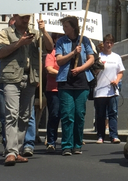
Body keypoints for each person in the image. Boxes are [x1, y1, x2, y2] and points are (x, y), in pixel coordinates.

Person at [0, 13, 51, 166]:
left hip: (30, 78)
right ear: (15, 17)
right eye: (23, 17)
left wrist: (44, 31)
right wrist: (19, 43)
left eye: (28, 17)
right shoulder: (5, 34)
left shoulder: (35, 33)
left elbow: (50, 48)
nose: (26, 20)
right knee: (11, 114)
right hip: (11, 78)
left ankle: (16, 150)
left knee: (25, 116)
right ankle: (11, 151)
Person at [55, 16, 95, 156]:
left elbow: (91, 58)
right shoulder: (61, 41)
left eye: (66, 26)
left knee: (79, 114)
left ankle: (77, 144)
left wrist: (80, 68)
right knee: (67, 114)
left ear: (73, 27)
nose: (64, 29)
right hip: (66, 82)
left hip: (82, 82)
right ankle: (66, 145)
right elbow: (59, 61)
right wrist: (73, 53)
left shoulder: (84, 40)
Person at [93, 34, 124, 144]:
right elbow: (93, 72)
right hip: (99, 90)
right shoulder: (98, 57)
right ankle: (100, 136)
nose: (109, 44)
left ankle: (114, 136)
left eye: (111, 43)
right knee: (100, 115)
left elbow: (121, 72)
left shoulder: (117, 57)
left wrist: (116, 81)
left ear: (113, 44)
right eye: (107, 42)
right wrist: (98, 68)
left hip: (112, 90)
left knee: (113, 113)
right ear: (104, 43)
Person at [44, 33, 61, 152]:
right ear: (55, 40)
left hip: (67, 88)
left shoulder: (68, 53)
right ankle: (51, 141)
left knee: (67, 115)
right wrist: (63, 74)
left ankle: (68, 141)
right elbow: (49, 69)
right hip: (53, 89)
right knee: (54, 115)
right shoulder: (51, 53)